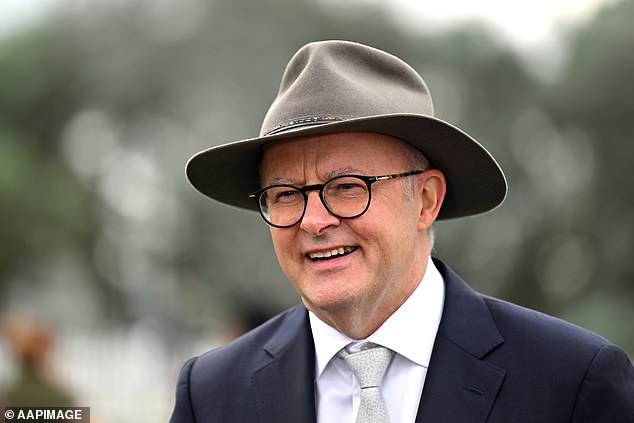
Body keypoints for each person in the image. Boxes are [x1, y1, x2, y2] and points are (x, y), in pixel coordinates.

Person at [170, 40, 634, 422]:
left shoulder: (571, 382)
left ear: (427, 200)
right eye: (286, 194)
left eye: (347, 187)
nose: (313, 221)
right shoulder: (210, 395)